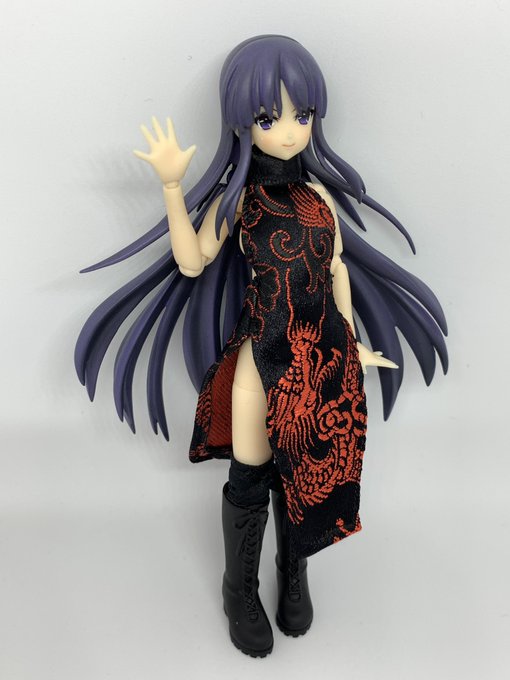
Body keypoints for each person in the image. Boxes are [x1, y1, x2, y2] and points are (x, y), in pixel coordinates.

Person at [75, 35, 448, 658]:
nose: (289, 131)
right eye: (269, 118)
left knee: (299, 469)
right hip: (262, 359)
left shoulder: (320, 199)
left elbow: (336, 272)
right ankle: (239, 590)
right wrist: (172, 188)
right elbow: (192, 261)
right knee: (251, 471)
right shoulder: (241, 202)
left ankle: (292, 574)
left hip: (318, 358)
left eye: (302, 115)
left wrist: (352, 343)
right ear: (242, 123)